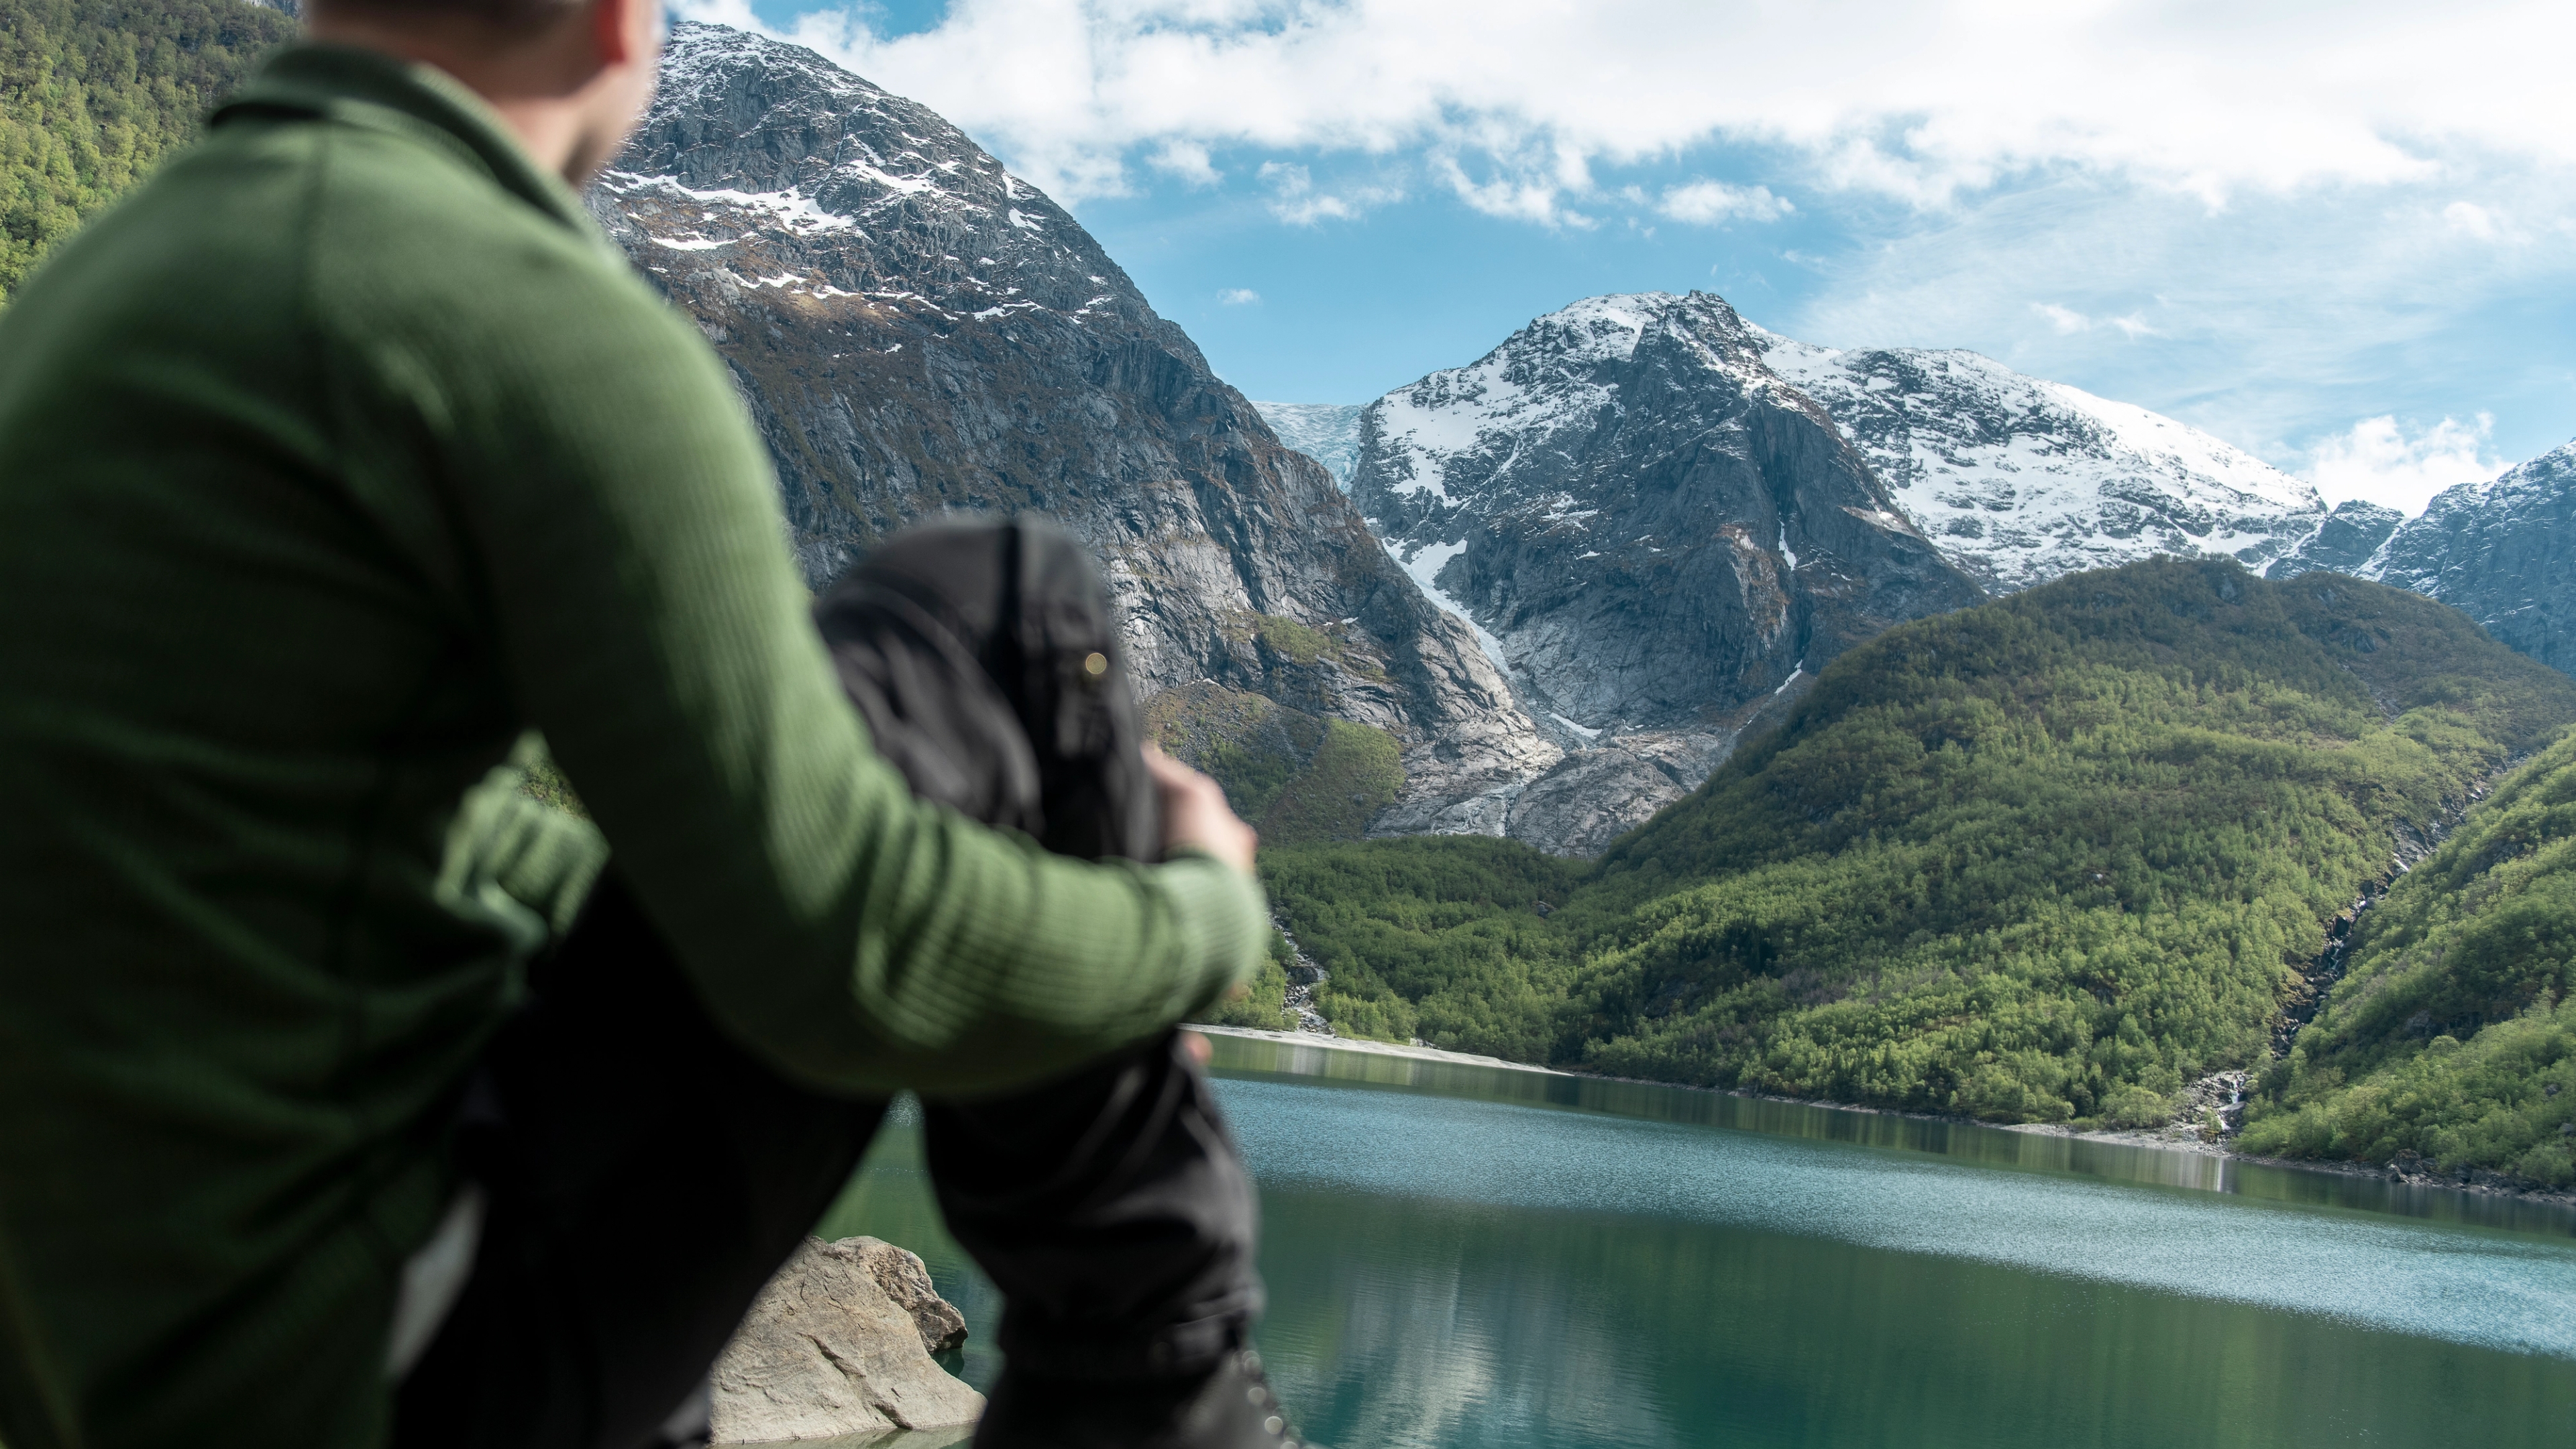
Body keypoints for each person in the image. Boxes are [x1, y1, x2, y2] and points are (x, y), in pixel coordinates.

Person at [0, 0, 1289, 1445]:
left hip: (119, 1354)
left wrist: (990, 947)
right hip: (357, 1370)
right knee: (1000, 609)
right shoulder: (514, 310)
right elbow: (839, 946)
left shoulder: (99, 290)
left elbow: (369, 825)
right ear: (621, 26)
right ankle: (1163, 1397)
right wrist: (1194, 922)